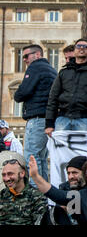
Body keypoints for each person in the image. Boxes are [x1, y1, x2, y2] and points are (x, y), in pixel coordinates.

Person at [45, 39, 87, 137]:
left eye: (85, 46)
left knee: (83, 152)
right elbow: (53, 98)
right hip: (62, 119)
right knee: (61, 151)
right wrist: (49, 123)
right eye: (79, 46)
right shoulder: (63, 73)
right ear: (74, 51)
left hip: (85, 120)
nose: (81, 48)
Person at [14, 44, 57, 184]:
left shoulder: (35, 67)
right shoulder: (50, 69)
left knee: (31, 157)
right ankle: (45, 193)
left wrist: (17, 94)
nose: (24, 59)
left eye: (27, 55)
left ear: (37, 55)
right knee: (41, 158)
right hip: (47, 118)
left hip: (37, 118)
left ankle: (36, 194)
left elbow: (22, 92)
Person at [0, 157, 48, 225]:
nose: (6, 178)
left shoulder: (36, 196)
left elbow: (41, 221)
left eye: (10, 174)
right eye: (4, 175)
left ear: (22, 173)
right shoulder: (2, 194)